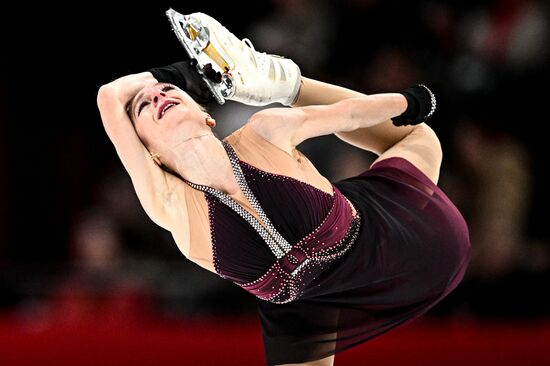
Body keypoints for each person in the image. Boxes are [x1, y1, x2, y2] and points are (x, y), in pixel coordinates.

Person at [97, 11, 470, 366]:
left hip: (379, 239)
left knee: (420, 137)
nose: (158, 96)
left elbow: (352, 114)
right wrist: (182, 73)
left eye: (167, 90)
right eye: (145, 106)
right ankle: (279, 82)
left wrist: (412, 100)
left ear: (207, 114)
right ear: (151, 156)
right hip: (302, 308)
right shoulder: (167, 202)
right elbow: (109, 97)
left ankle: (280, 82)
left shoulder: (265, 129)